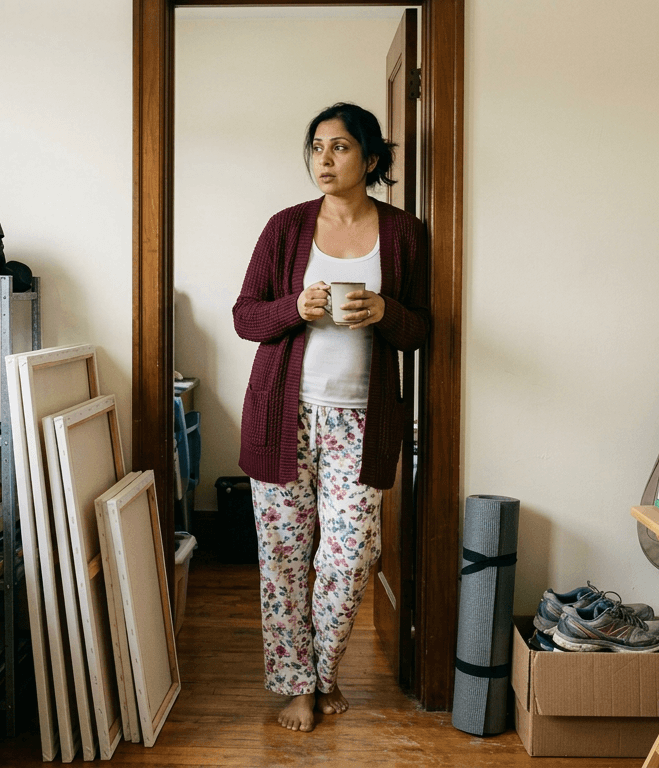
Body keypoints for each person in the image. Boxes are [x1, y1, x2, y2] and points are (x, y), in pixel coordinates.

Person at [232, 102, 429, 732]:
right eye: (317, 146)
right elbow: (245, 316)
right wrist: (295, 305)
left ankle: (325, 670)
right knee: (285, 554)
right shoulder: (286, 228)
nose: (324, 158)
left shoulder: (403, 233)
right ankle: (299, 685)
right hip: (283, 417)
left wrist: (385, 314)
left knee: (350, 555)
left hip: (363, 424)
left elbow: (421, 327)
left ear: (370, 160)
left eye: (340, 147)